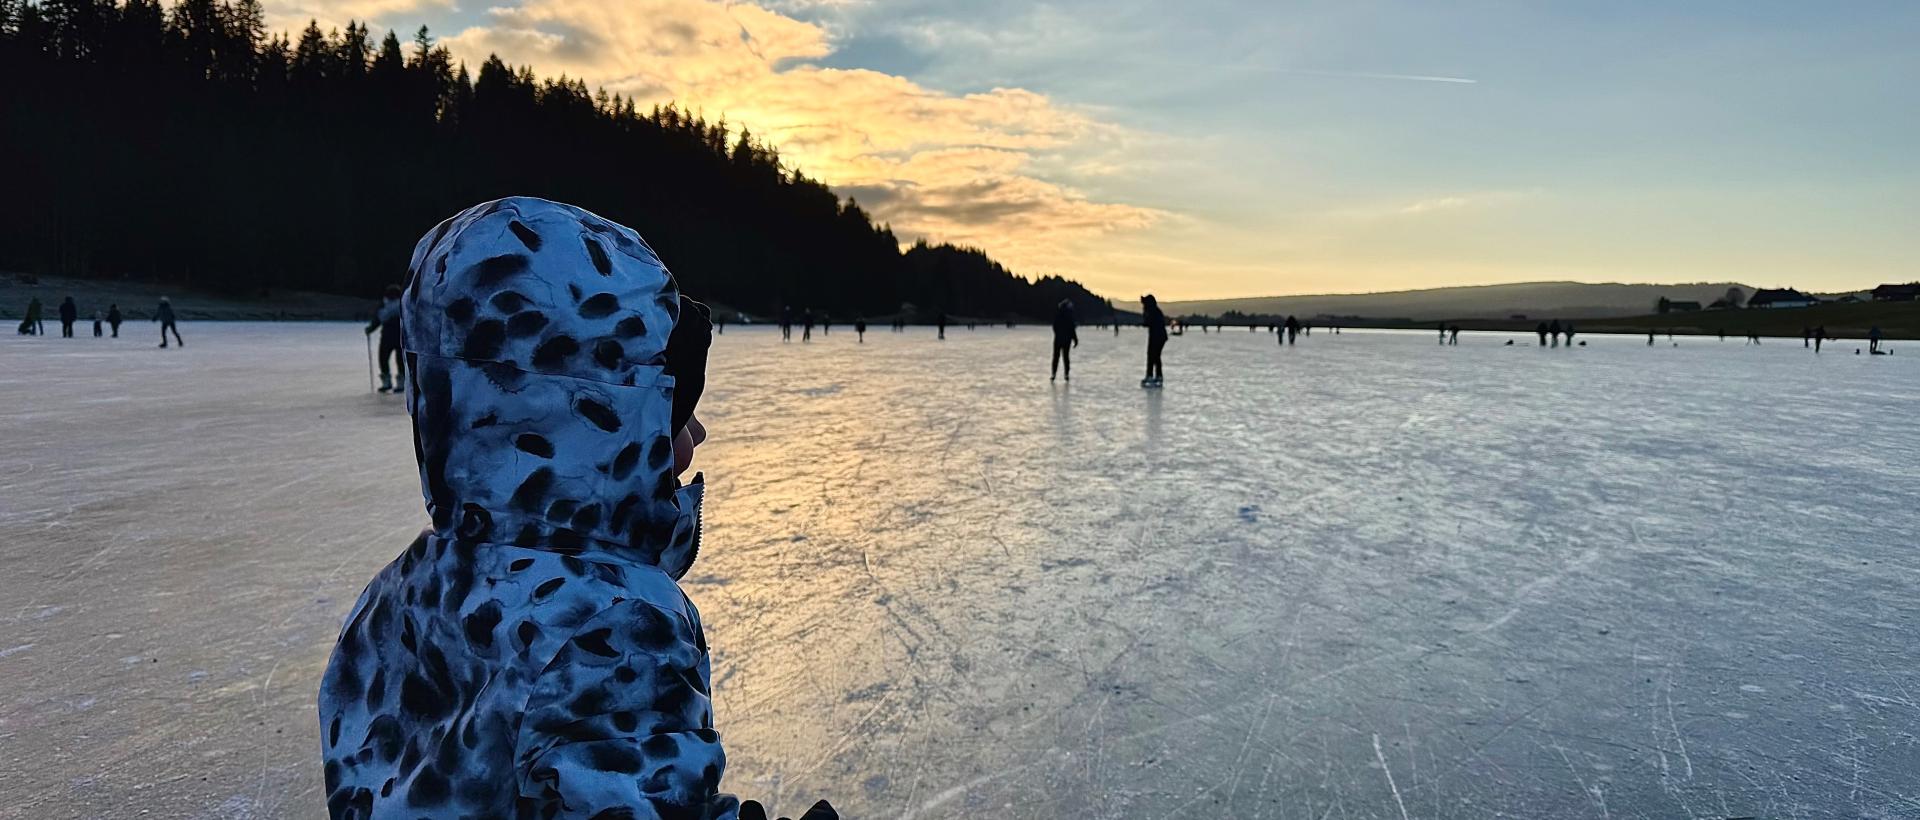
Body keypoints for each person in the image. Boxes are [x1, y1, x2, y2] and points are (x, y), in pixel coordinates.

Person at [318, 197, 834, 820]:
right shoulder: (612, 627)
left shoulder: (398, 589)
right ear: (598, 425)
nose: (695, 436)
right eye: (668, 415)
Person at [364, 284, 405, 392]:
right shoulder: (402, 305)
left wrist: (370, 329)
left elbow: (377, 320)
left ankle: (389, 382)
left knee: (385, 359)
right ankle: (399, 383)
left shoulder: (385, 307)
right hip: (397, 337)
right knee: (396, 360)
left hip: (390, 337)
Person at [1141, 294, 1167, 387]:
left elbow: (1146, 323)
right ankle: (1157, 376)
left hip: (1157, 336)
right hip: (1159, 336)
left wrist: (1144, 313)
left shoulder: (1152, 311)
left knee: (1153, 355)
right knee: (1155, 356)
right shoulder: (1155, 311)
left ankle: (1151, 376)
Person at [1050, 299, 1078, 381]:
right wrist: (1075, 339)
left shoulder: (1058, 314)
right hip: (1066, 340)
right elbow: (1072, 329)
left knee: (1056, 357)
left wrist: (1057, 334)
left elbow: (1054, 326)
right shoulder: (1069, 315)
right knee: (1066, 357)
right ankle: (1066, 374)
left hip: (1058, 339)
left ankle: (1054, 374)